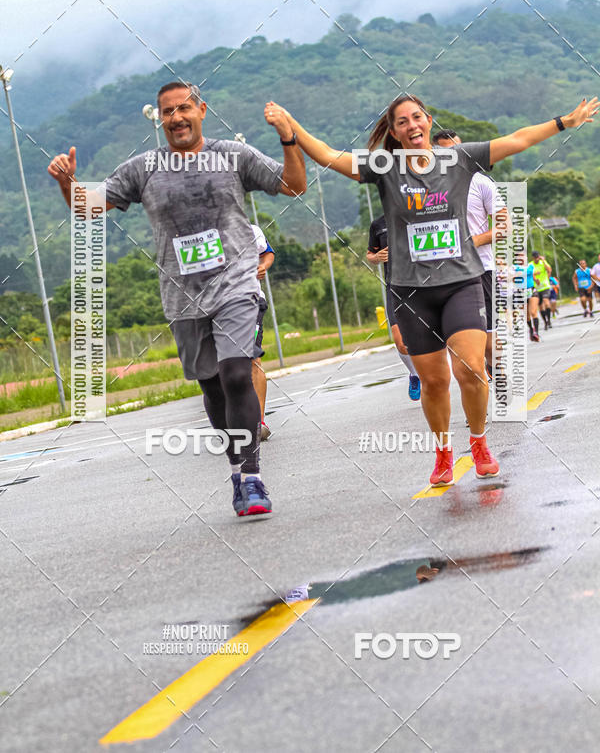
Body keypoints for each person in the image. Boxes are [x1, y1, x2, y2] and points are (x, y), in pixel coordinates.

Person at [264, 94, 598, 488]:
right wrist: (291, 126)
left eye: (417, 117)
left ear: (428, 120)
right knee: (435, 382)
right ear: (394, 132)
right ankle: (442, 451)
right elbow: (327, 155)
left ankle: (478, 443)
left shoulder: (459, 159)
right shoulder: (384, 167)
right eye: (401, 122)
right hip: (411, 291)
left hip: (461, 282)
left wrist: (566, 122)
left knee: (471, 368)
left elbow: (519, 138)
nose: (412, 126)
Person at [47, 81, 306, 518]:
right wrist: (67, 181)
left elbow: (294, 185)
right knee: (212, 386)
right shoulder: (144, 168)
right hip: (183, 295)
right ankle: (238, 472)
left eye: (184, 108)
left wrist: (288, 137)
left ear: (202, 109)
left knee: (237, 373)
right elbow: (86, 206)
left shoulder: (232, 155)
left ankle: (253, 475)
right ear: (159, 119)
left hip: (236, 282)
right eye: (167, 112)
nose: (176, 118)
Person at [434, 130, 509, 379]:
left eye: (456, 150)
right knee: (464, 349)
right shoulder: (426, 187)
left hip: (481, 269)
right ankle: (476, 408)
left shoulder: (481, 182)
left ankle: (493, 366)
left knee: (488, 343)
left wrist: (471, 242)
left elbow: (505, 226)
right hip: (444, 276)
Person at [367, 214, 421, 400]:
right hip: (395, 288)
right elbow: (369, 254)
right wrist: (376, 257)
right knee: (401, 342)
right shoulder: (378, 224)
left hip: (422, 284)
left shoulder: (417, 217)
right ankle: (415, 375)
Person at [251, 223, 275, 440]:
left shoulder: (251, 230)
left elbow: (267, 253)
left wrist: (263, 266)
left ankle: (259, 421)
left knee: (252, 359)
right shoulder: (202, 235)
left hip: (251, 301)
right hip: (216, 307)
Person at [529, 251, 553, 330]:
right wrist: (535, 276)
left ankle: (549, 320)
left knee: (546, 302)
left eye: (538, 257)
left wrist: (543, 261)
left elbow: (549, 270)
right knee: (541, 307)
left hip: (545, 286)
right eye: (535, 257)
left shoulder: (543, 262)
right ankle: (545, 321)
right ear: (533, 257)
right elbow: (530, 275)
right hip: (537, 287)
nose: (537, 259)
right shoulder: (530, 264)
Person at [526, 260, 540, 341]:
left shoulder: (530, 266)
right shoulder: (514, 267)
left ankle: (536, 333)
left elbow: (529, 271)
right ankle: (531, 329)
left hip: (531, 290)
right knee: (527, 316)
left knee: (533, 312)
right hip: (520, 293)